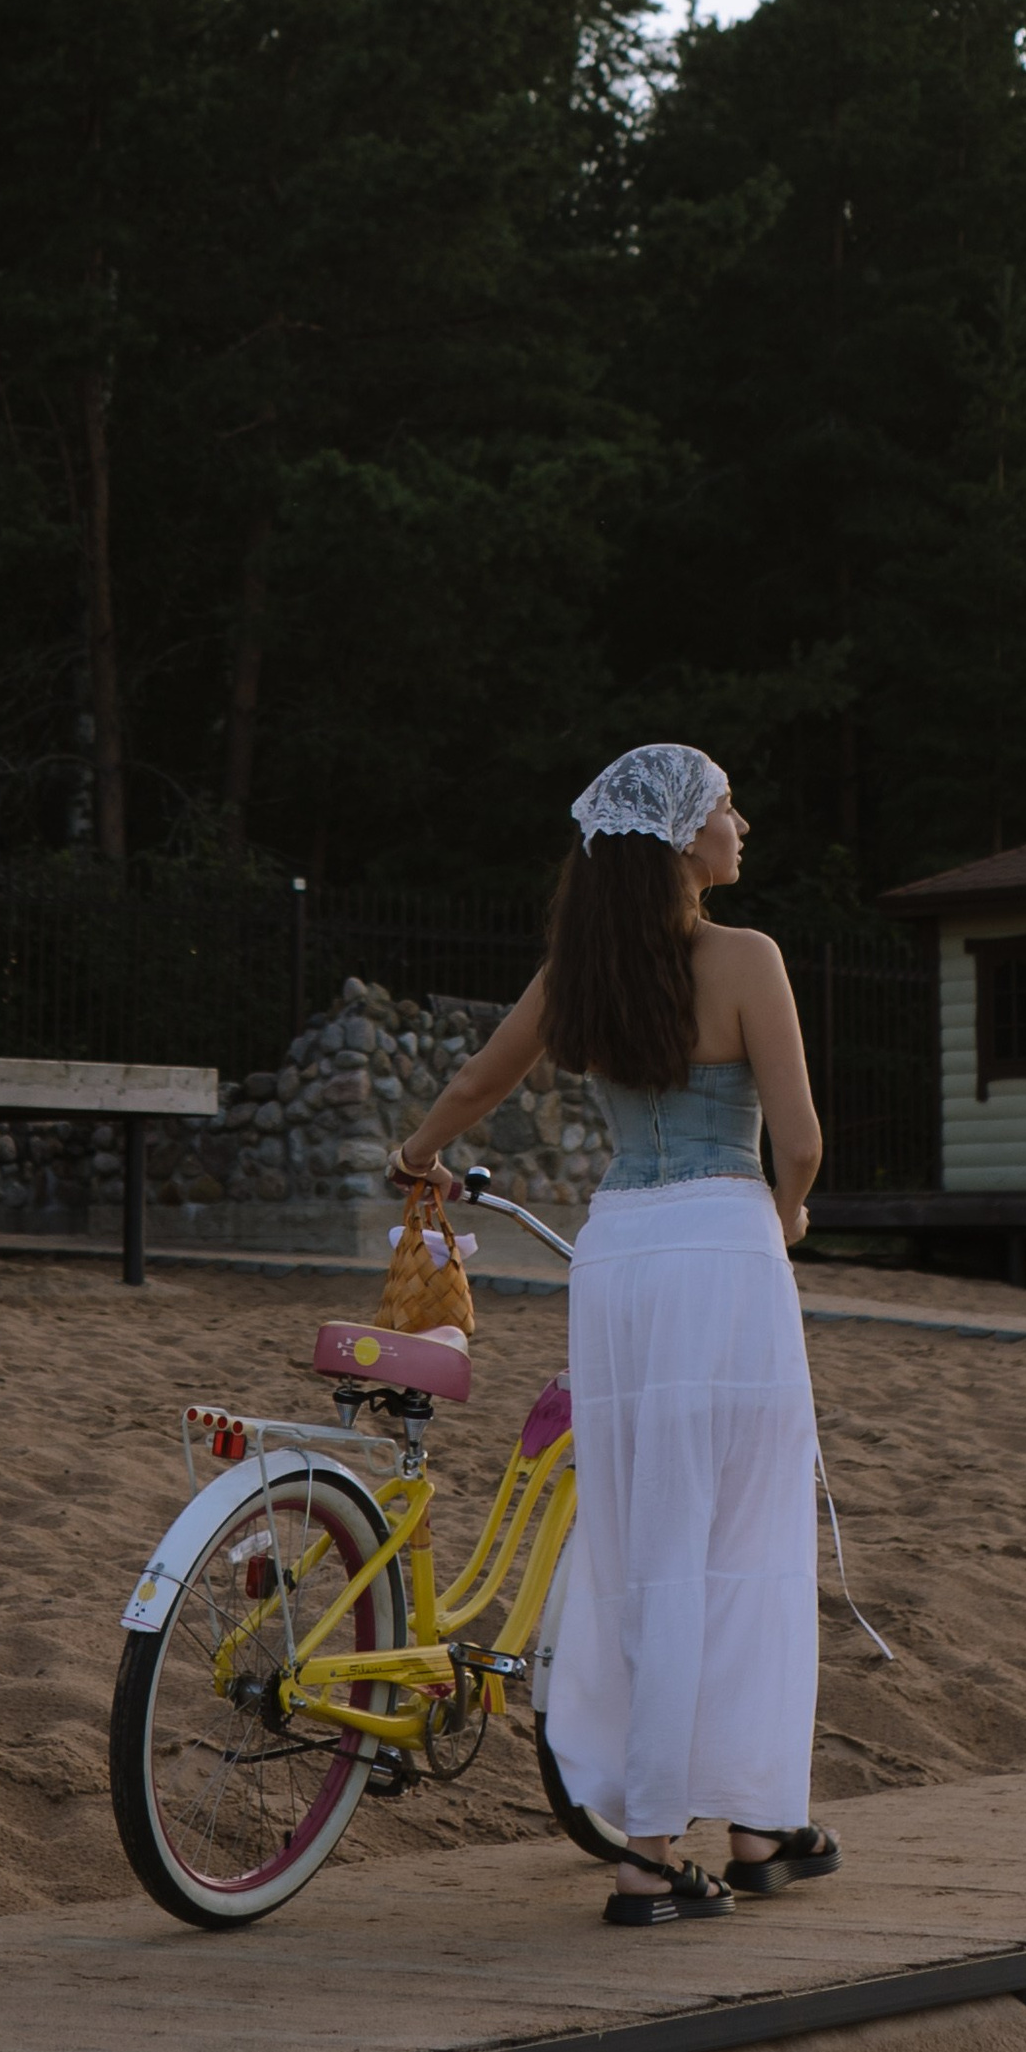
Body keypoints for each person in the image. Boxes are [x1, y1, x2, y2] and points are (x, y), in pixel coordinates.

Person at [383, 743, 836, 1921]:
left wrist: (418, 1153)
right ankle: (716, 1834)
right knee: (746, 1534)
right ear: (686, 837)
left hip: (622, 1257)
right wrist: (785, 1216)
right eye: (727, 806)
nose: (742, 823)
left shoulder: (579, 969)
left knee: (645, 1537)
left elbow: (482, 1079)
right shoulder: (745, 960)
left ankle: (691, 1836)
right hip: (723, 1249)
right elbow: (798, 1139)